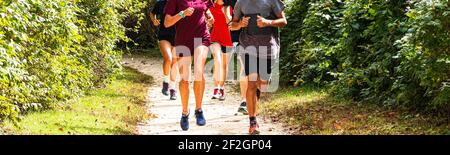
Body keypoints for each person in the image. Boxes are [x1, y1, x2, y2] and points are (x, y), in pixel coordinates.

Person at [231, 0, 287, 135]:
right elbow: (232, 25)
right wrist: (239, 24)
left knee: (262, 84)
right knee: (251, 83)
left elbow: (284, 21)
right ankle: (253, 122)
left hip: (267, 48)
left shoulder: (272, 1)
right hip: (248, 46)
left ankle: (254, 105)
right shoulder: (241, 3)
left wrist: (269, 22)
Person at [164, 0, 215, 131]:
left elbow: (206, 10)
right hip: (183, 40)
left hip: (201, 37)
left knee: (199, 71)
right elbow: (167, 22)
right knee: (185, 79)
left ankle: (199, 110)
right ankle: (185, 113)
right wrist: (182, 13)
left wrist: (210, 17)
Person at [150, 0, 178, 100]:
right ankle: (166, 82)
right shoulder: (160, 3)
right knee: (168, 59)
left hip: (178, 37)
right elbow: (152, 13)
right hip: (164, 35)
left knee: (174, 62)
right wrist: (154, 20)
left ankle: (173, 89)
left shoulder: (181, 3)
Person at [224, 0, 247, 115]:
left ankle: (251, 98)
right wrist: (230, 21)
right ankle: (244, 101)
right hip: (237, 35)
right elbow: (226, 8)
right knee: (244, 67)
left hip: (258, 36)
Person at [210, 0, 233, 101]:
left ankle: (222, 88)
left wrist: (226, 13)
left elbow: (232, 23)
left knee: (224, 65)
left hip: (228, 39)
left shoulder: (229, 6)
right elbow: (207, 21)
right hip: (215, 38)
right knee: (217, 61)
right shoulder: (211, 6)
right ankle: (216, 88)